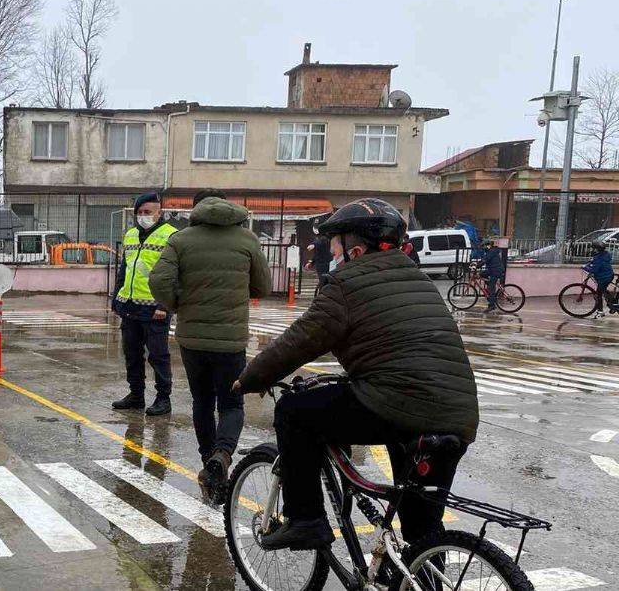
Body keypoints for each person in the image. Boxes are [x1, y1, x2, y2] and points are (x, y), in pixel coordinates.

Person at [234, 198, 479, 551]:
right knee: (422, 531)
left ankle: (306, 520)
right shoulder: (418, 280)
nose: (330, 254)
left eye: (334, 245)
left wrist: (251, 378)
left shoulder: (344, 284)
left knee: (294, 412)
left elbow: (301, 340)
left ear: (356, 249)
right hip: (457, 414)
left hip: (399, 404)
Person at [148, 189, 271, 496]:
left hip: (192, 339)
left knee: (202, 402)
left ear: (196, 209)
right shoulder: (247, 240)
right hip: (230, 341)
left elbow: (158, 280)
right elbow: (264, 286)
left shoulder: (180, 239)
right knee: (231, 404)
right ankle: (223, 455)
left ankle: (208, 462)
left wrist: (176, 303)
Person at [112, 193, 178, 416]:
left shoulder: (171, 236)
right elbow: (124, 269)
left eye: (147, 212)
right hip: (130, 305)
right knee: (131, 353)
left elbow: (175, 275)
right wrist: (116, 298)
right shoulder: (130, 235)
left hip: (155, 308)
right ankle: (136, 395)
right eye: (139, 213)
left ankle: (163, 398)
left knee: (158, 356)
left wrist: (165, 306)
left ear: (159, 213)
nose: (143, 216)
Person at [583, 241, 617, 313]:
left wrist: (584, 267)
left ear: (597, 249)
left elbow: (594, 269)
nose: (592, 249)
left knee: (598, 294)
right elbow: (596, 263)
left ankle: (600, 311)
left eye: (593, 248)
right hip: (608, 275)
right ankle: (612, 304)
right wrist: (591, 262)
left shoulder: (599, 258)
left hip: (604, 278)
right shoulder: (604, 254)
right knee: (603, 290)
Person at [480, 238, 506, 312]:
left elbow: (485, 260)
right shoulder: (490, 251)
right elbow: (483, 259)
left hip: (496, 271)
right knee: (481, 274)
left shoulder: (492, 251)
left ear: (488, 245)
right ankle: (489, 286)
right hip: (492, 270)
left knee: (491, 287)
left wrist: (478, 266)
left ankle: (492, 305)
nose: (483, 248)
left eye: (483, 246)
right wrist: (475, 264)